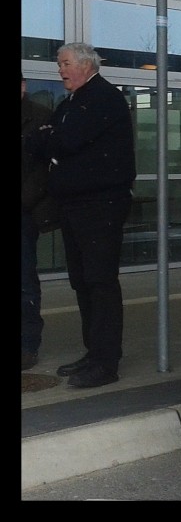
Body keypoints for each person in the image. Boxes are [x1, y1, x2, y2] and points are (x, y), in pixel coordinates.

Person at [27, 43, 136, 388]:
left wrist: (50, 137)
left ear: (87, 65)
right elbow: (45, 140)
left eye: (65, 63)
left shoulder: (103, 97)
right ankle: (94, 353)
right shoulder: (72, 102)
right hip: (75, 208)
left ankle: (106, 362)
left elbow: (66, 141)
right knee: (83, 282)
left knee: (100, 282)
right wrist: (49, 137)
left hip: (99, 207)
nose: (60, 71)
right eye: (59, 64)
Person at [21, 71, 52, 371]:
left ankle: (27, 345)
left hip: (24, 212)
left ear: (23, 87)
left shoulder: (40, 117)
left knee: (24, 281)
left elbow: (44, 169)